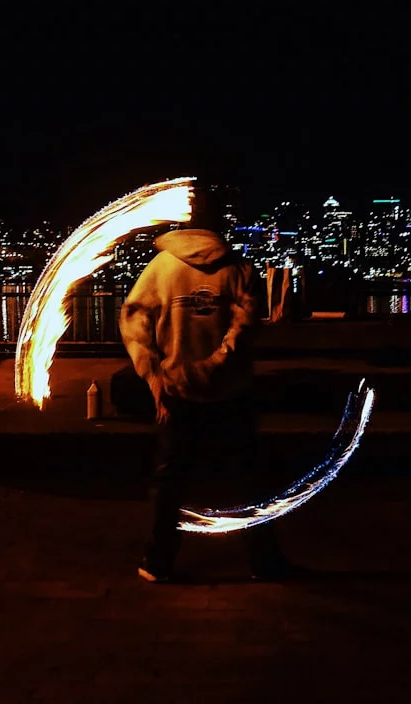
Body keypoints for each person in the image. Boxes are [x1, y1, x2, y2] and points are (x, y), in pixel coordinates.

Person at [119, 184, 291, 583]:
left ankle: (158, 561)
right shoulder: (238, 268)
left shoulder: (161, 268)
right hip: (231, 391)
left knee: (170, 481)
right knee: (250, 480)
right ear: (220, 225)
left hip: (177, 393)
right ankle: (264, 562)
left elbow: (133, 321)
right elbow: (245, 327)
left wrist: (154, 375)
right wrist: (216, 363)